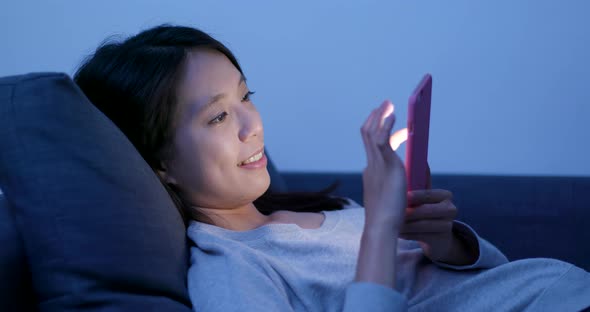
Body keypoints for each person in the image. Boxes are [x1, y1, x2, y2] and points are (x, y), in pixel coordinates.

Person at [74, 24, 590, 312]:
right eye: (217, 116)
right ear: (159, 163)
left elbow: (492, 284)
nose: (252, 124)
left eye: (246, 96)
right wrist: (381, 231)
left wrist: (446, 244)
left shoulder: (330, 208)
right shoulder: (230, 270)